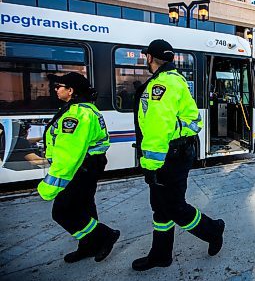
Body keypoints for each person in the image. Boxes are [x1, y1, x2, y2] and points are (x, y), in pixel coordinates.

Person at [132, 39, 225, 271]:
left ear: (151, 58)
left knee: (174, 207)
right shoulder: (173, 80)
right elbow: (186, 121)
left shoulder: (161, 85)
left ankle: (213, 230)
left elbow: (157, 128)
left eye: (146, 57)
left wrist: (150, 166)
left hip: (169, 157)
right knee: (161, 208)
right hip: (176, 153)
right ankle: (161, 255)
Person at [37, 72, 120, 263]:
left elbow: (69, 155)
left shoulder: (77, 115)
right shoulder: (85, 110)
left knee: (61, 212)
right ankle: (89, 246)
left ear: (71, 90)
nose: (56, 89)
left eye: (60, 86)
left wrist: (49, 186)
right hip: (89, 166)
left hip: (81, 169)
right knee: (85, 207)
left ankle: (105, 235)